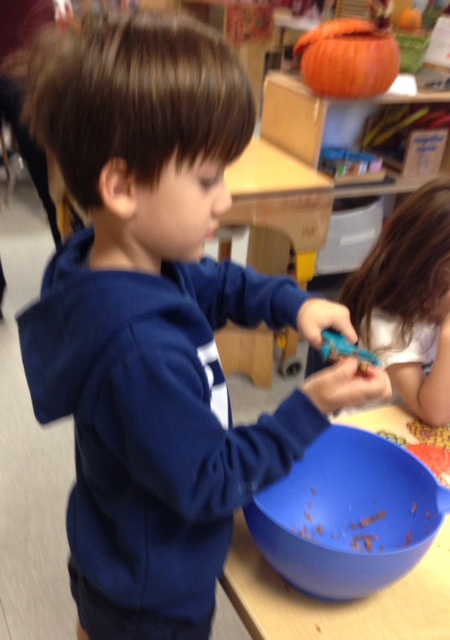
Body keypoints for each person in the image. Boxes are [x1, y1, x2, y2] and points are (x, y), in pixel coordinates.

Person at [16, 11, 391, 640]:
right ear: (122, 186)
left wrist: (293, 305)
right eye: (208, 179)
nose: (225, 200)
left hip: (120, 551)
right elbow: (211, 481)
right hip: (153, 597)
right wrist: (310, 407)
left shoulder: (119, 261)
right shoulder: (139, 352)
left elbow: (217, 283)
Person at [339, 178, 450, 427]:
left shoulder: (438, 312)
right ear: (423, 279)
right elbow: (434, 414)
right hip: (369, 433)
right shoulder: (386, 327)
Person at [0, 0, 62, 317]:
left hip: (31, 57)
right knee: (59, 188)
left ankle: (83, 284)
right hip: (31, 54)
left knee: (61, 189)